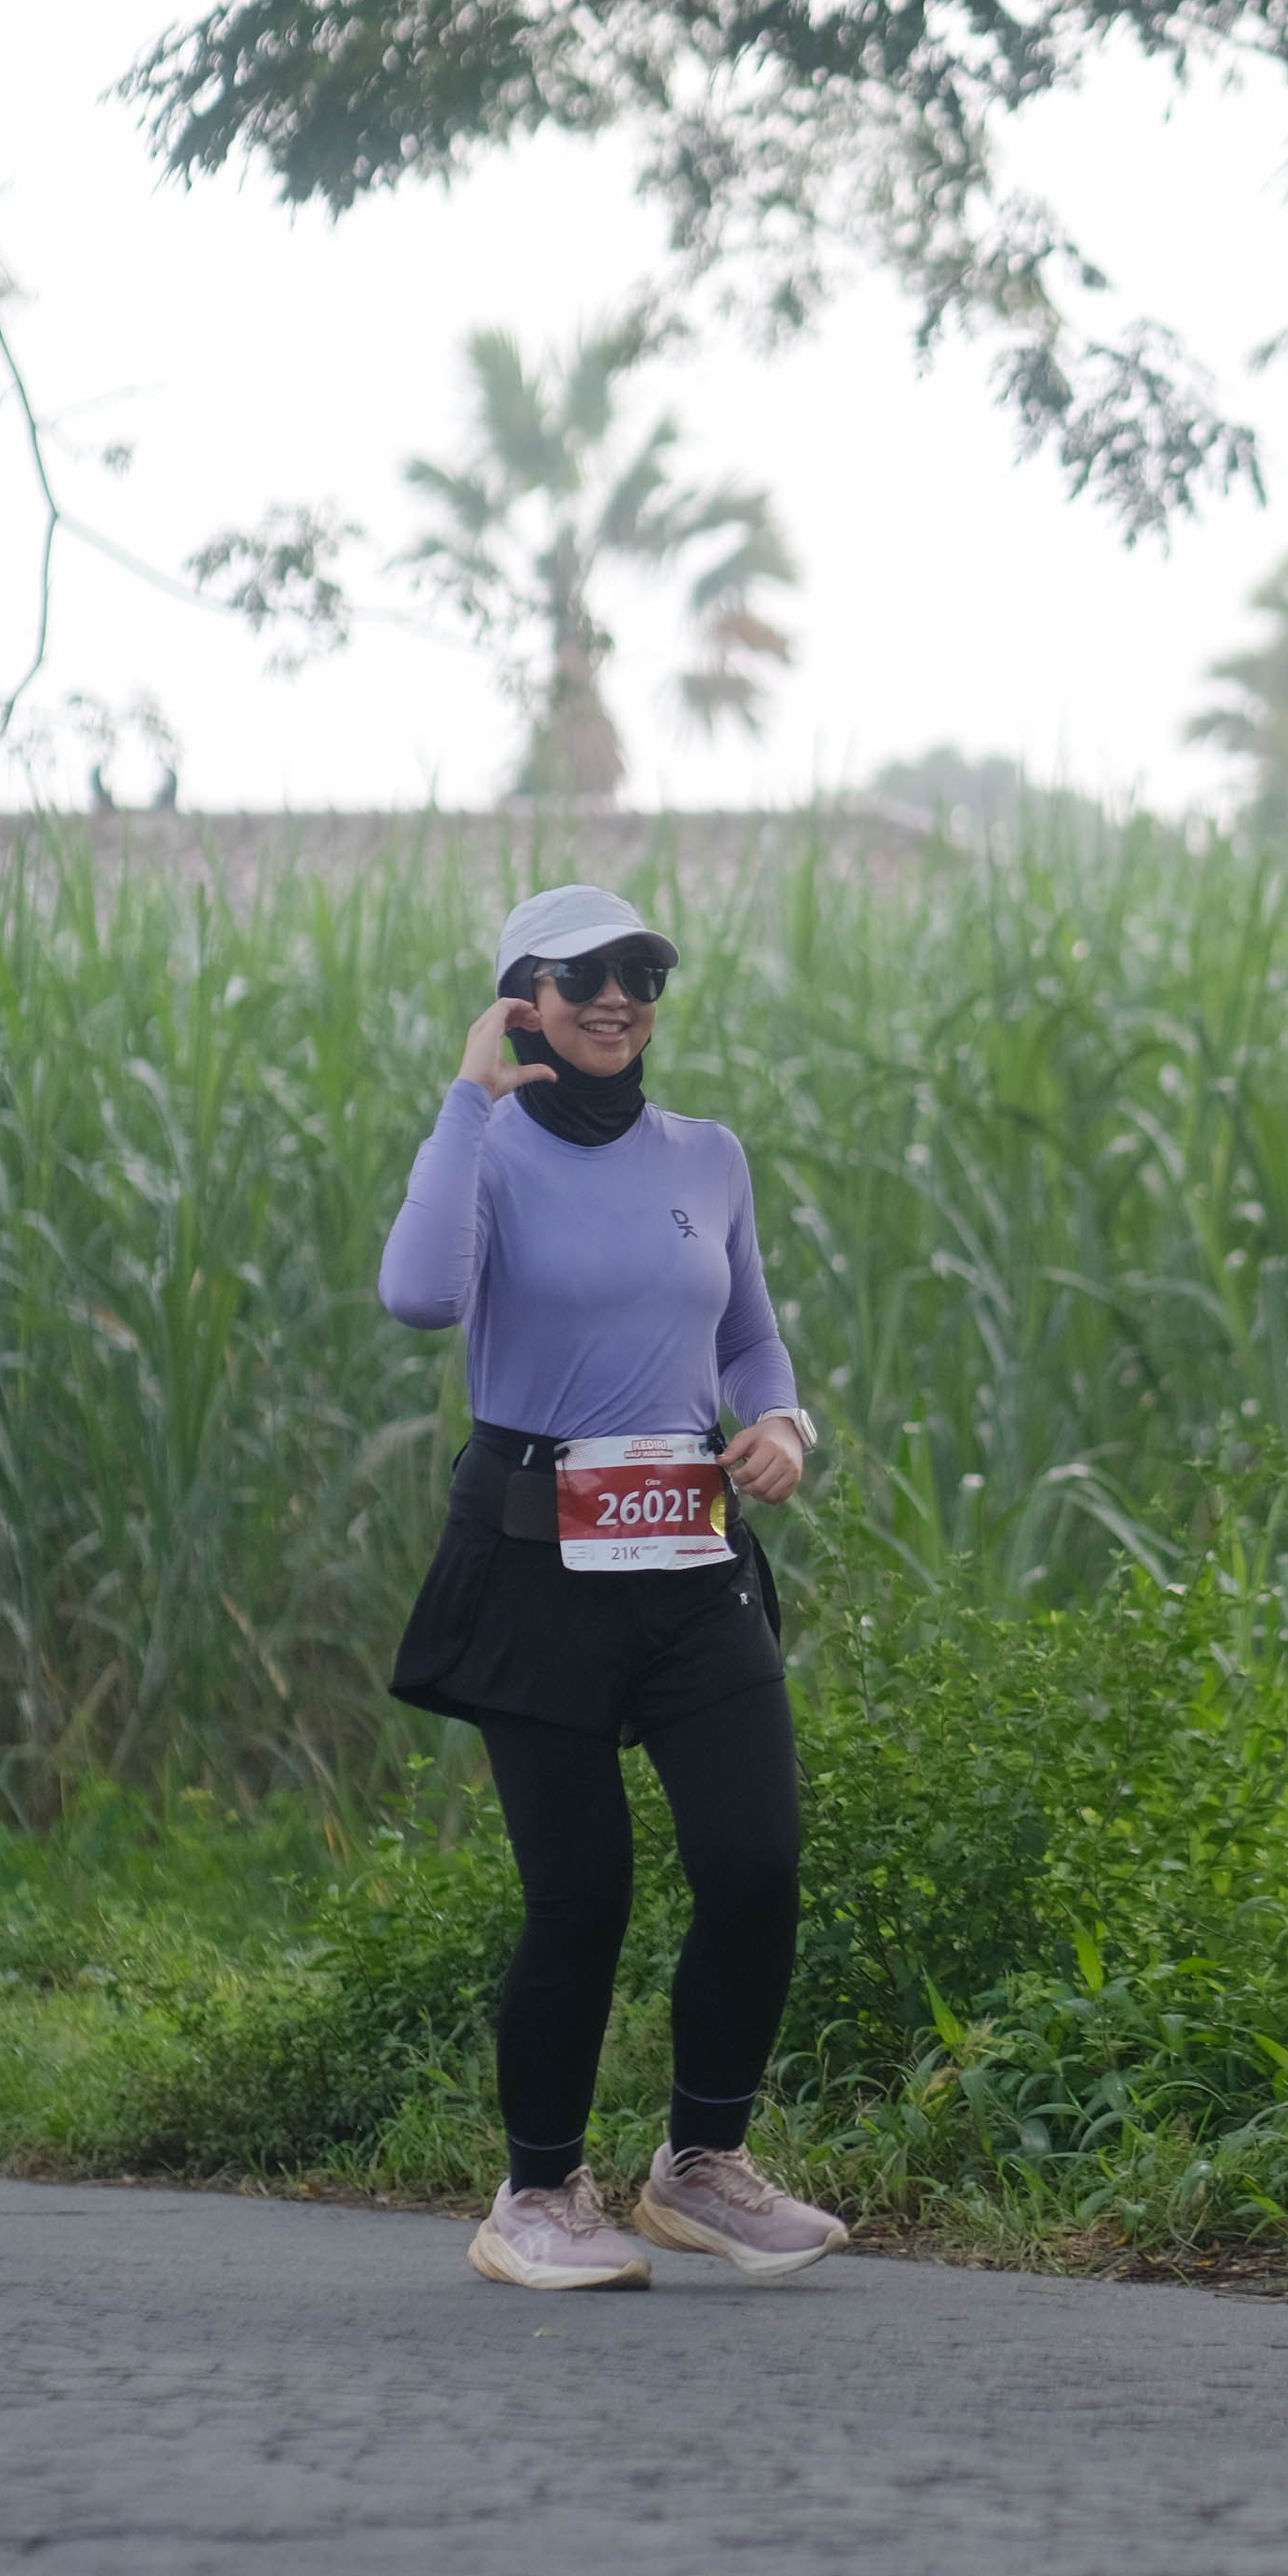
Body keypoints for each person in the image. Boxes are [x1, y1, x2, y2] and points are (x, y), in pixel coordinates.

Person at [379, 882, 845, 2292]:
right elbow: (418, 1295)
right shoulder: (489, 1150)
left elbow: (750, 1341)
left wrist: (783, 1426)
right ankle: (534, 2195)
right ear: (523, 999)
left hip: (691, 1555)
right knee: (581, 1895)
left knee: (756, 1868)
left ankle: (700, 2167)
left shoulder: (709, 1156)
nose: (616, 999)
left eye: (640, 974)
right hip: (537, 1561)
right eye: (582, 976)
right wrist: (468, 1100)